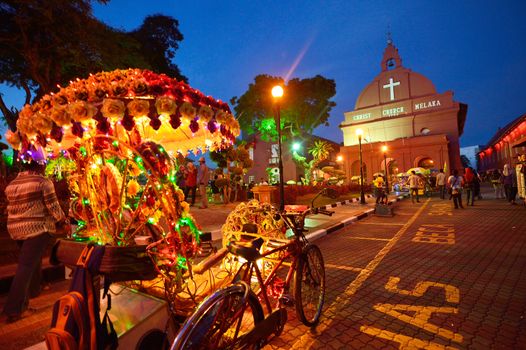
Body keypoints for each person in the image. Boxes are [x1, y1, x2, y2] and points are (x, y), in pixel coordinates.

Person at [1, 161, 66, 323]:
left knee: (31, 262)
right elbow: (53, 206)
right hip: (36, 228)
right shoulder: (43, 182)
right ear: (40, 165)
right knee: (26, 266)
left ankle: (34, 291)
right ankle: (14, 309)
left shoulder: (13, 183)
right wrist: (63, 221)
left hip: (16, 229)